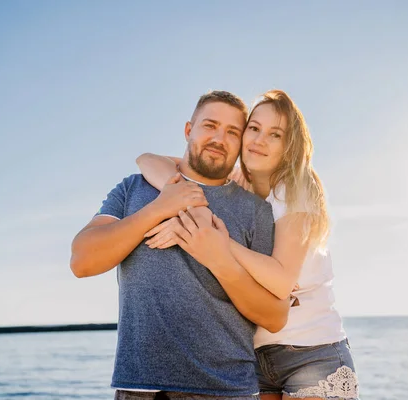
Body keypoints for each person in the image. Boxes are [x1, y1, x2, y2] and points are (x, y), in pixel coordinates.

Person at [137, 90, 360, 400]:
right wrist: (188, 205)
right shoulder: (240, 184)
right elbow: (149, 160)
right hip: (253, 357)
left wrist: (214, 240)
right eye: (254, 129)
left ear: (289, 145)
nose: (260, 140)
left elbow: (281, 281)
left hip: (311, 351)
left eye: (275, 134)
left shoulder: (295, 188)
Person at [70, 90, 291, 400]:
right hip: (139, 388)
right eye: (209, 125)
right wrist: (161, 208)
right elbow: (81, 262)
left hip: (225, 391)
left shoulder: (256, 210)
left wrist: (218, 258)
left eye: (232, 132)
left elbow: (274, 316)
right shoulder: (134, 187)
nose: (219, 138)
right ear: (189, 130)